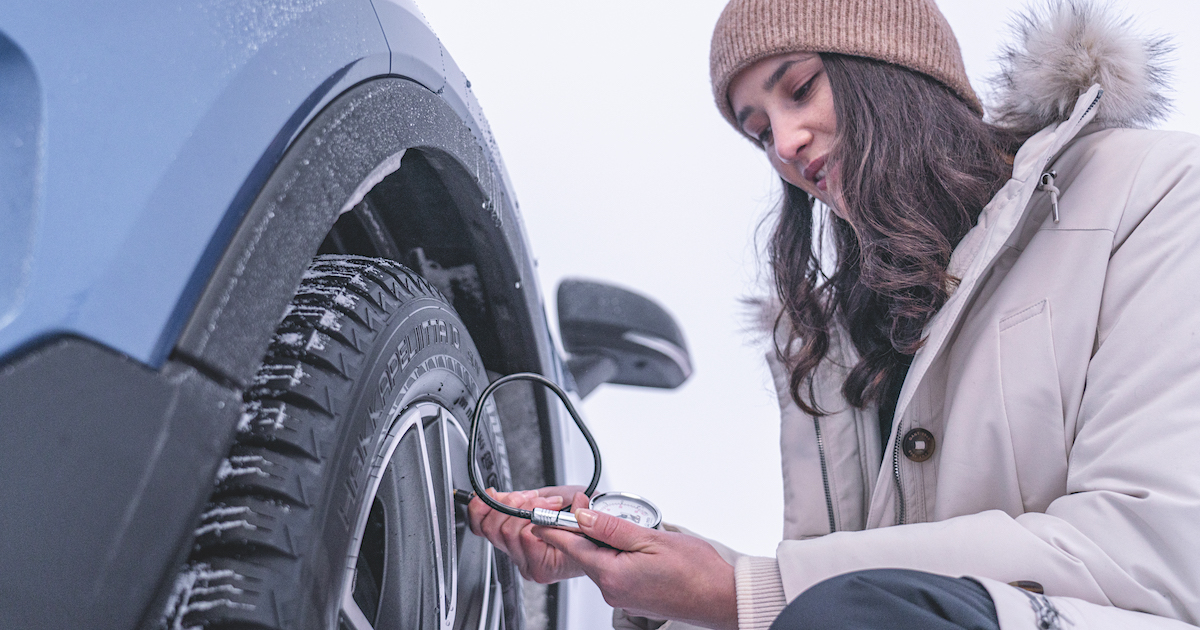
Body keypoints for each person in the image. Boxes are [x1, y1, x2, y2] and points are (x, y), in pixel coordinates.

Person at [469, 0, 1200, 628]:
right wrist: (636, 567)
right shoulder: (829, 346)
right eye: (759, 132)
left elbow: (1144, 550)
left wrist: (748, 589)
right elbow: (811, 601)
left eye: (801, 90)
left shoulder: (1148, 192)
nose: (785, 145)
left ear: (891, 66)